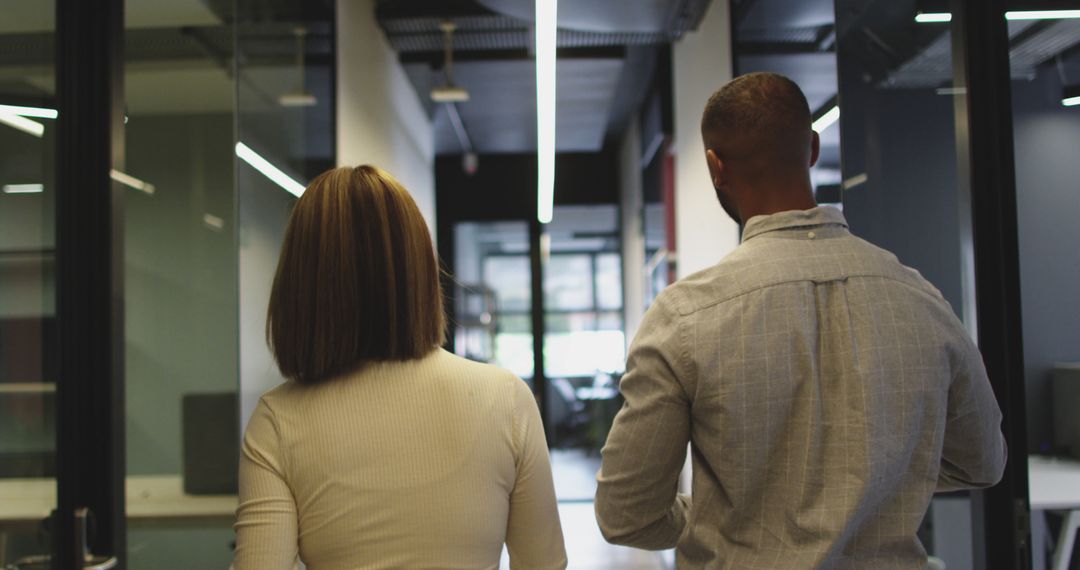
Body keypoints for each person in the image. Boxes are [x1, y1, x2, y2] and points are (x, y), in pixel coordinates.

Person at [594, 72, 1006, 568]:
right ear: (812, 148)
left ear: (714, 166)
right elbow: (983, 462)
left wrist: (716, 518)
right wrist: (875, 484)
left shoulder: (684, 317)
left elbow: (627, 514)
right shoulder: (920, 298)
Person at [232, 165, 567, 570]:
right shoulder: (505, 396)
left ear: (301, 283)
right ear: (419, 267)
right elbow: (544, 563)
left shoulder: (278, 420)